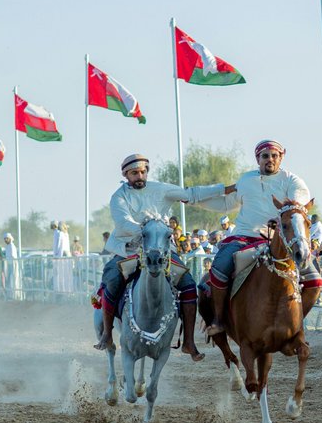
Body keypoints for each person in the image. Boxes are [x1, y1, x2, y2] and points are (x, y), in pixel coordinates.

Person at [95, 153, 231, 360]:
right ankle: (107, 334)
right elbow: (123, 223)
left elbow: (192, 194)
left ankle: (188, 342)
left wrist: (226, 189)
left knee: (188, 285)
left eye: (142, 172)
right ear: (126, 174)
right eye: (134, 173)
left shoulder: (161, 189)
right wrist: (149, 228)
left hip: (163, 252)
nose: (139, 176)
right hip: (128, 250)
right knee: (112, 279)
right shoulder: (119, 197)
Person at [205, 140, 322, 336]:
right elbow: (225, 203)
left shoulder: (292, 180)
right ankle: (218, 320)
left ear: (281, 157)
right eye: (265, 156)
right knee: (219, 267)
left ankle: (295, 325)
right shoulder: (246, 180)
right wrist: (193, 199)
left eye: (274, 156)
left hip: (279, 241)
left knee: (316, 282)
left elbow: (299, 202)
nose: (270, 159)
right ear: (257, 159)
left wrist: (284, 214)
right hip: (243, 236)